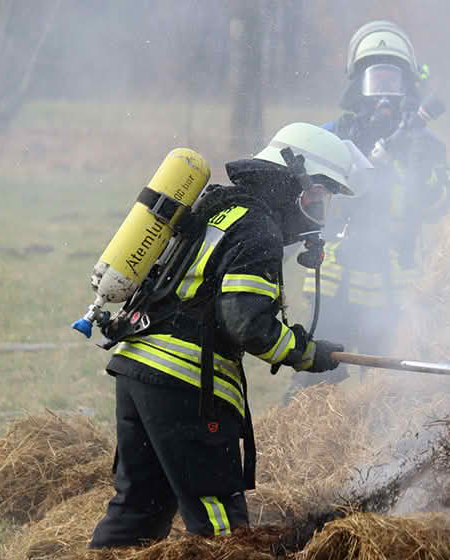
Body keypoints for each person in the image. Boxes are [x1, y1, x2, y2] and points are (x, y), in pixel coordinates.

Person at [88, 122, 369, 547]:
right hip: (185, 383)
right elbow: (247, 324)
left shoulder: (222, 205)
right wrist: (309, 353)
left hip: (138, 365)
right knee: (221, 527)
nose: (319, 211)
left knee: (137, 510)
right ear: (295, 181)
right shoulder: (259, 228)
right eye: (319, 196)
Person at [284, 20, 450, 403]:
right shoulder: (334, 134)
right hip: (333, 280)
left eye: (391, 80)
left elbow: (442, 200)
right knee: (316, 379)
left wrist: (417, 163)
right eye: (374, 79)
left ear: (408, 85)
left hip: (395, 283)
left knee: (392, 388)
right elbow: (301, 188)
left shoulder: (425, 144)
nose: (382, 93)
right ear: (356, 84)